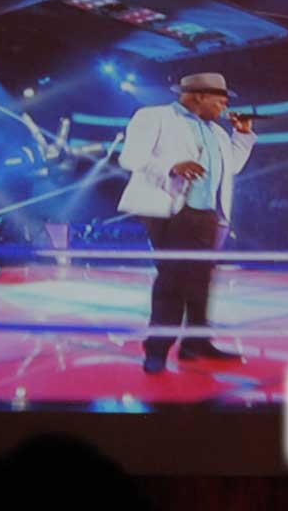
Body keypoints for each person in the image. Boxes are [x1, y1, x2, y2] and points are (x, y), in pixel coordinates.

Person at [116, 72, 257, 374]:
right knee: (173, 280)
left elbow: (232, 167)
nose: (224, 107)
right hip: (171, 209)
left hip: (208, 214)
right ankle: (156, 349)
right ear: (199, 96)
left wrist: (243, 135)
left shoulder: (217, 132)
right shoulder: (154, 116)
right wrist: (171, 166)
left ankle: (196, 343)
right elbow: (130, 157)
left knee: (200, 282)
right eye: (220, 100)